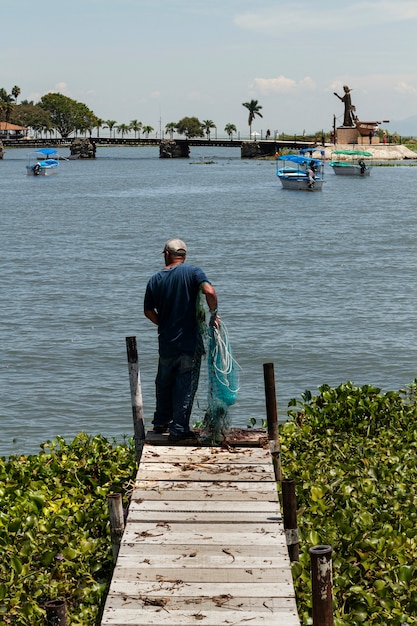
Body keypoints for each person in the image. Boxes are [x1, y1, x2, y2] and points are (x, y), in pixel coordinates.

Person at [144, 238, 218, 443]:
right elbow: (209, 291)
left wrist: (163, 324)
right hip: (189, 343)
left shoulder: (155, 279)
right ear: (183, 256)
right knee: (185, 385)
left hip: (166, 343)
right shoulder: (194, 273)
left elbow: (148, 311)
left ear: (167, 254)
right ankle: (178, 429)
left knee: (164, 382)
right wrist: (214, 313)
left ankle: (160, 422)